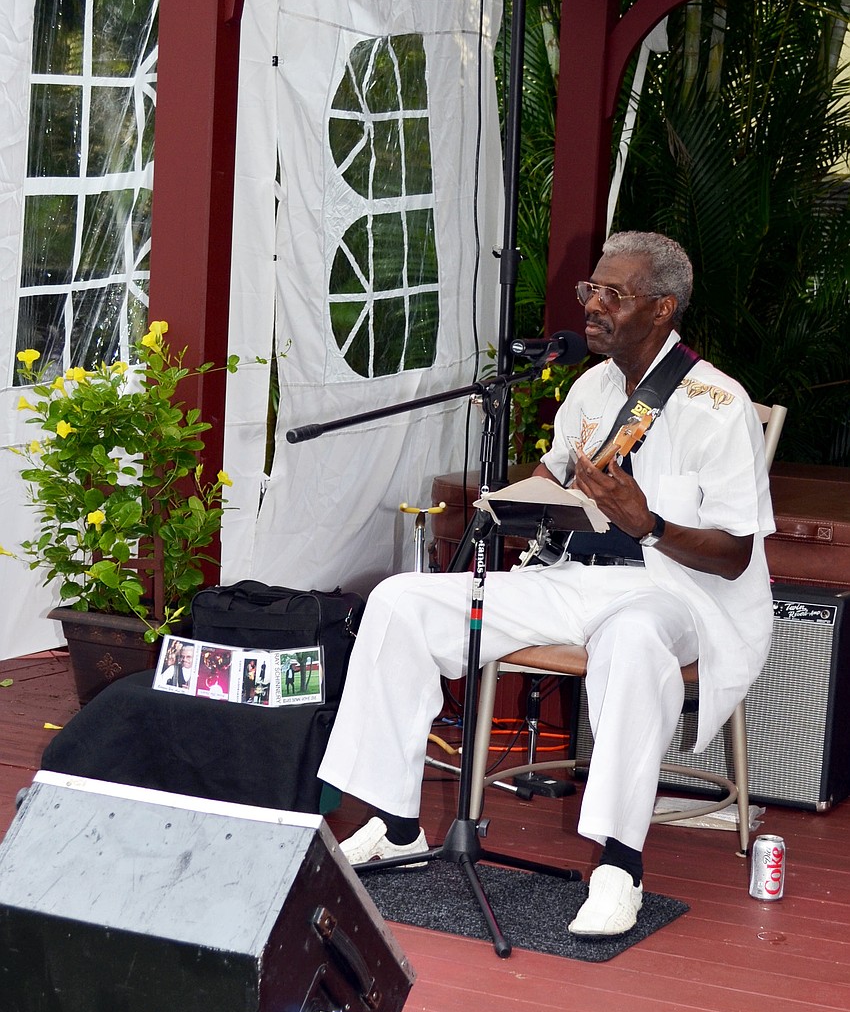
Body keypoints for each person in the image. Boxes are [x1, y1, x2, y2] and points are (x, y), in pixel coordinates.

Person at [319, 231, 775, 937]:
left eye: (611, 295)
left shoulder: (719, 405)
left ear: (660, 309)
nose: (591, 305)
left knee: (631, 637)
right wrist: (517, 498)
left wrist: (648, 522)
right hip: (570, 578)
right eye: (588, 290)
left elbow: (737, 554)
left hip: (678, 594)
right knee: (400, 602)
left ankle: (620, 864)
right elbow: (556, 477)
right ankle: (399, 822)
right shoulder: (590, 389)